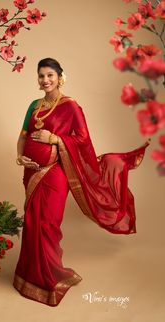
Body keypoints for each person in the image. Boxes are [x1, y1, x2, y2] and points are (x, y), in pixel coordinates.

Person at [12, 57, 150, 306]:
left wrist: (54, 138)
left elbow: (83, 140)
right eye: (41, 76)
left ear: (60, 77)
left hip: (55, 173)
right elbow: (22, 136)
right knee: (32, 222)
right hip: (32, 172)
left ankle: (49, 277)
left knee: (48, 224)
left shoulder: (71, 106)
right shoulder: (34, 105)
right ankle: (29, 276)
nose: (45, 80)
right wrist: (20, 157)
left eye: (50, 75)